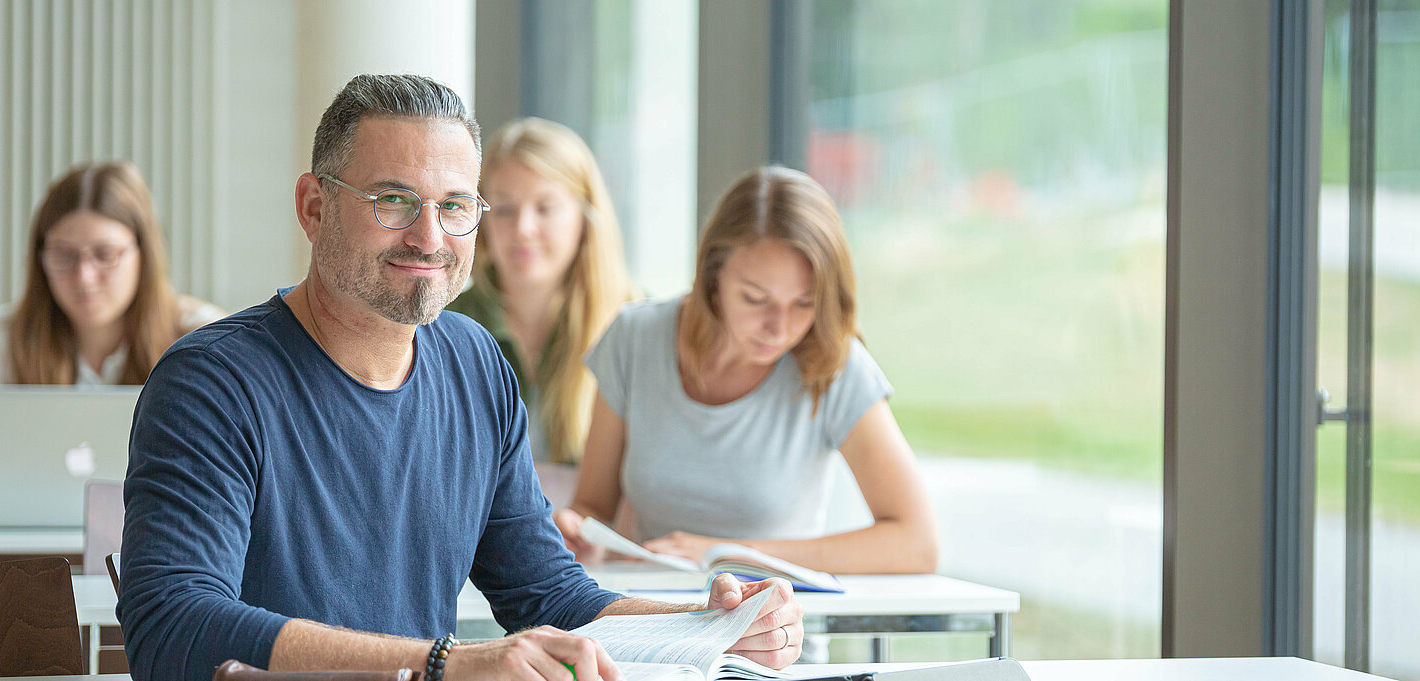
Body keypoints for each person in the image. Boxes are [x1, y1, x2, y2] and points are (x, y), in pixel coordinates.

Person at [117, 74, 803, 681]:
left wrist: (710, 622)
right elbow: (174, 630)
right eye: (393, 200)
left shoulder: (475, 364)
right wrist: (440, 663)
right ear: (314, 207)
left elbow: (549, 596)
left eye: (454, 206)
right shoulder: (211, 384)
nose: (429, 238)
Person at [555, 166, 940, 575]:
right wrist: (578, 530)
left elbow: (916, 544)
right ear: (712, 277)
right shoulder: (634, 339)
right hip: (651, 622)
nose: (780, 328)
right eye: (756, 299)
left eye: (804, 303)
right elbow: (593, 506)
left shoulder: (834, 365)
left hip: (776, 631)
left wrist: (726, 553)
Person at [0, 160, 224, 510]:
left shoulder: (203, 337)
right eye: (63, 256)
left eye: (105, 255)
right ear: (39, 256)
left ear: (144, 252)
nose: (84, 277)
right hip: (30, 559)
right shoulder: (2, 339)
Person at [449, 118, 635, 502]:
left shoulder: (633, 326)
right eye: (503, 210)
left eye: (545, 208)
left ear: (585, 218)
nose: (523, 229)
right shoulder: (447, 324)